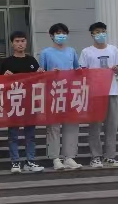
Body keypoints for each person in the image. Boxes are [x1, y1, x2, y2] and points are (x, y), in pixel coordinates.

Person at [0, 31, 44, 174]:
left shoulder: (32, 61)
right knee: (13, 134)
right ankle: (15, 162)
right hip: (13, 102)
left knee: (30, 134)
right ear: (12, 43)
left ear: (26, 42)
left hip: (30, 101)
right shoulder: (6, 62)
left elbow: (38, 81)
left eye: (23, 41)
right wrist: (4, 77)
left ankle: (30, 161)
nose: (20, 44)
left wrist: (41, 74)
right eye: (17, 41)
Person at [80, 22, 118, 168]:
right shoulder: (87, 52)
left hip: (111, 92)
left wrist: (116, 69)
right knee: (95, 126)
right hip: (95, 94)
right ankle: (96, 157)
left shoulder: (113, 49)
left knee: (111, 126)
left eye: (103, 31)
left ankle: (110, 156)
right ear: (92, 34)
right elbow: (82, 72)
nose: (101, 34)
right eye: (98, 32)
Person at [39, 23, 82, 171]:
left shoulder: (72, 51)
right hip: (53, 93)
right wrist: (50, 73)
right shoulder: (45, 53)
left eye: (63, 33)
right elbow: (41, 74)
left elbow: (78, 70)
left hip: (70, 92)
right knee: (53, 127)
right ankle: (55, 158)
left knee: (71, 125)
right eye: (58, 33)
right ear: (52, 36)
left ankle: (69, 157)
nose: (61, 35)